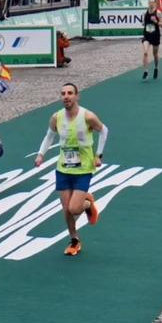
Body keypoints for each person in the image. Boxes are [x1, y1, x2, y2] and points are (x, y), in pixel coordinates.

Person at [34, 83, 108, 256]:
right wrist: (40, 155)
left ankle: (88, 204)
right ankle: (74, 240)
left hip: (83, 169)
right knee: (66, 209)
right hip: (63, 169)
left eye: (69, 93)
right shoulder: (56, 117)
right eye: (63, 93)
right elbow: (49, 136)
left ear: (77, 96)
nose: (66, 96)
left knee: (75, 209)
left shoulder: (88, 116)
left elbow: (104, 131)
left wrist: (99, 155)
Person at [141, 0, 162, 80]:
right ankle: (146, 71)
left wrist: (156, 22)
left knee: (155, 54)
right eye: (149, 2)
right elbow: (143, 23)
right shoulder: (145, 13)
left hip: (155, 36)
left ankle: (156, 67)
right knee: (145, 52)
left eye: (152, 3)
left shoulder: (158, 13)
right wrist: (143, 23)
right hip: (147, 36)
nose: (151, 4)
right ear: (148, 3)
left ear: (155, 4)